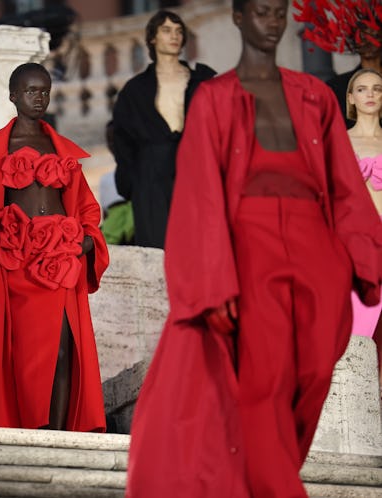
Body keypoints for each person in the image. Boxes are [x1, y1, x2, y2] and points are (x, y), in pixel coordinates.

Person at [125, 0, 382, 496]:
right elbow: (199, 192)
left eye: (279, 14)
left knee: (309, 376)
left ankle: (265, 475)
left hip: (317, 253)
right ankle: (277, 487)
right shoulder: (216, 97)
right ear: (240, 19)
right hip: (251, 250)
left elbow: (346, 183)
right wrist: (211, 280)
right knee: (263, 380)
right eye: (262, 13)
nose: (273, 23)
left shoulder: (315, 96)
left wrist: (368, 260)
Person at [0, 63, 109, 432]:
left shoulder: (61, 149)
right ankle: (34, 430)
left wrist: (89, 239)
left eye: (45, 91)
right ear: (13, 95)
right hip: (15, 262)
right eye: (31, 91)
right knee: (24, 355)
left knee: (65, 349)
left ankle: (61, 435)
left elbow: (86, 206)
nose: (39, 98)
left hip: (61, 258)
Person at [112, 10, 215, 249]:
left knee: (202, 245)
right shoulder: (135, 90)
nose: (174, 36)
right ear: (152, 38)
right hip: (150, 178)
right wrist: (133, 183)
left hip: (197, 170)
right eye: (166, 30)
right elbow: (123, 142)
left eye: (179, 31)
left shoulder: (204, 80)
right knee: (158, 251)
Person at [346, 68, 382, 387]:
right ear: (351, 98)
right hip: (356, 245)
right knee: (360, 328)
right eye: (362, 89)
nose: (370, 94)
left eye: (377, 89)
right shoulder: (340, 142)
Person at [295, 0, 382, 128]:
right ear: (354, 40)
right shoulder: (335, 88)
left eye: (373, 34)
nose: (367, 41)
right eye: (361, 36)